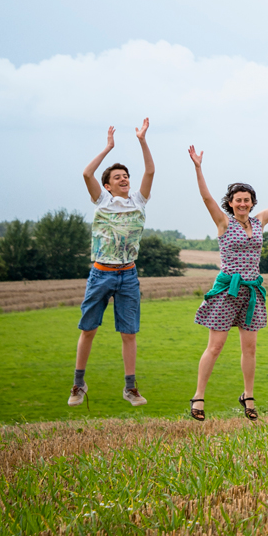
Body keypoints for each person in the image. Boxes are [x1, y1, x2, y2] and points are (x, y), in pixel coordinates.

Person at [187, 146, 268, 421]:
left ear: (252, 202)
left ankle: (248, 395)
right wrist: (198, 167)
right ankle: (198, 396)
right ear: (230, 203)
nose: (242, 204)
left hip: (252, 292)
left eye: (247, 200)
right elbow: (206, 197)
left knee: (250, 348)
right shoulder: (223, 223)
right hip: (226, 292)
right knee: (216, 346)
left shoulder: (259, 222)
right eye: (237, 200)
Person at [69, 120, 155, 408]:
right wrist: (108, 147)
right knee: (89, 329)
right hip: (101, 273)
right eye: (118, 176)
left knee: (129, 333)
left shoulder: (139, 201)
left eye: (126, 176)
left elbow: (151, 171)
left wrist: (142, 140)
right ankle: (78, 384)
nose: (124, 179)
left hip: (128, 275)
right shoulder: (101, 200)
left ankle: (130, 388)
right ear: (107, 185)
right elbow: (86, 172)